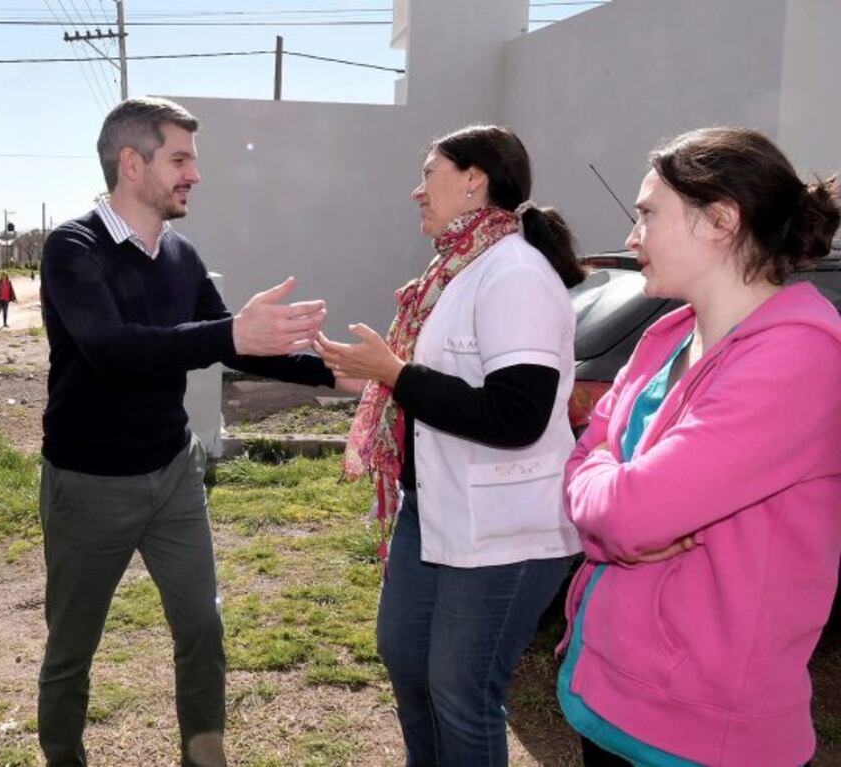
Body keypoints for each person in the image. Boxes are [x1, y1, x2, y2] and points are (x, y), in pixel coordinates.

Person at [38, 96, 336, 767]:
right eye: (180, 159)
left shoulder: (181, 253)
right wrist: (229, 330)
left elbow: (233, 344)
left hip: (173, 474)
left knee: (202, 626)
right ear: (132, 163)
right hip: (88, 484)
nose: (194, 174)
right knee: (71, 647)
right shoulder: (73, 247)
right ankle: (63, 756)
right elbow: (112, 347)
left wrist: (330, 372)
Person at [560, 128, 841, 766]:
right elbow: (584, 461)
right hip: (604, 693)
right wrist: (607, 492)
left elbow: (623, 512)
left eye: (649, 213)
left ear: (720, 220)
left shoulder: (801, 357)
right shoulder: (667, 335)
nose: (633, 237)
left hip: (702, 731)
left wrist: (608, 494)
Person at [314, 125, 586, 766]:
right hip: (434, 507)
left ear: (474, 180)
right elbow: (439, 382)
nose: (416, 190)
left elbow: (516, 414)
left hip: (505, 527)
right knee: (406, 659)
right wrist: (373, 372)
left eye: (428, 171)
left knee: (461, 691)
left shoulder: (515, 272)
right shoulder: (455, 268)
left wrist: (397, 374)